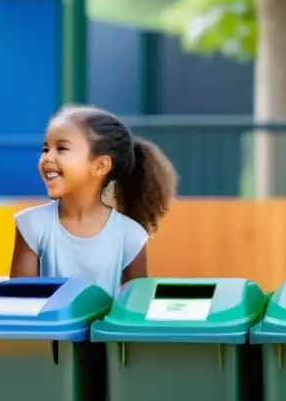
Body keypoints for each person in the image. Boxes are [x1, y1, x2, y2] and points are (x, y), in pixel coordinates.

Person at [9, 105, 177, 294]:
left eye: (61, 148)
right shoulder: (31, 224)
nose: (48, 157)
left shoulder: (130, 236)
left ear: (100, 165)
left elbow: (133, 309)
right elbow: (21, 302)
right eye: (46, 149)